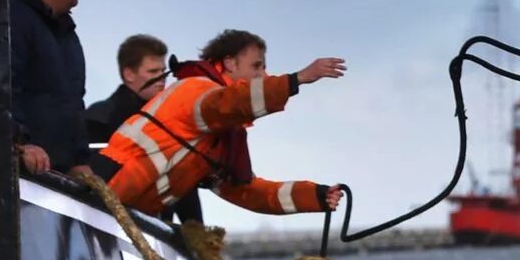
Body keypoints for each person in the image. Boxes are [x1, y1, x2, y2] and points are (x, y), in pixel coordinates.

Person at [93, 28, 346, 219]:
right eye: (256, 66)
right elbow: (230, 102)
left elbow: (248, 192)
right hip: (103, 191)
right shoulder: (195, 91)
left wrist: (316, 196)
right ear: (229, 63)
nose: (264, 76)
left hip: (124, 213)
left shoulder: (219, 141)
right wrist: (296, 80)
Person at [9, 0, 88, 176]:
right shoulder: (11, 19)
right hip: (26, 175)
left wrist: (79, 159)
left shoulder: (66, 33)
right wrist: (19, 143)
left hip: (57, 175)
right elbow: (2, 87)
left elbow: (74, 102)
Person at [85, 33, 169, 144]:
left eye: (163, 71)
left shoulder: (170, 114)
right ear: (129, 75)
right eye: (153, 71)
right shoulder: (101, 118)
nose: (162, 77)